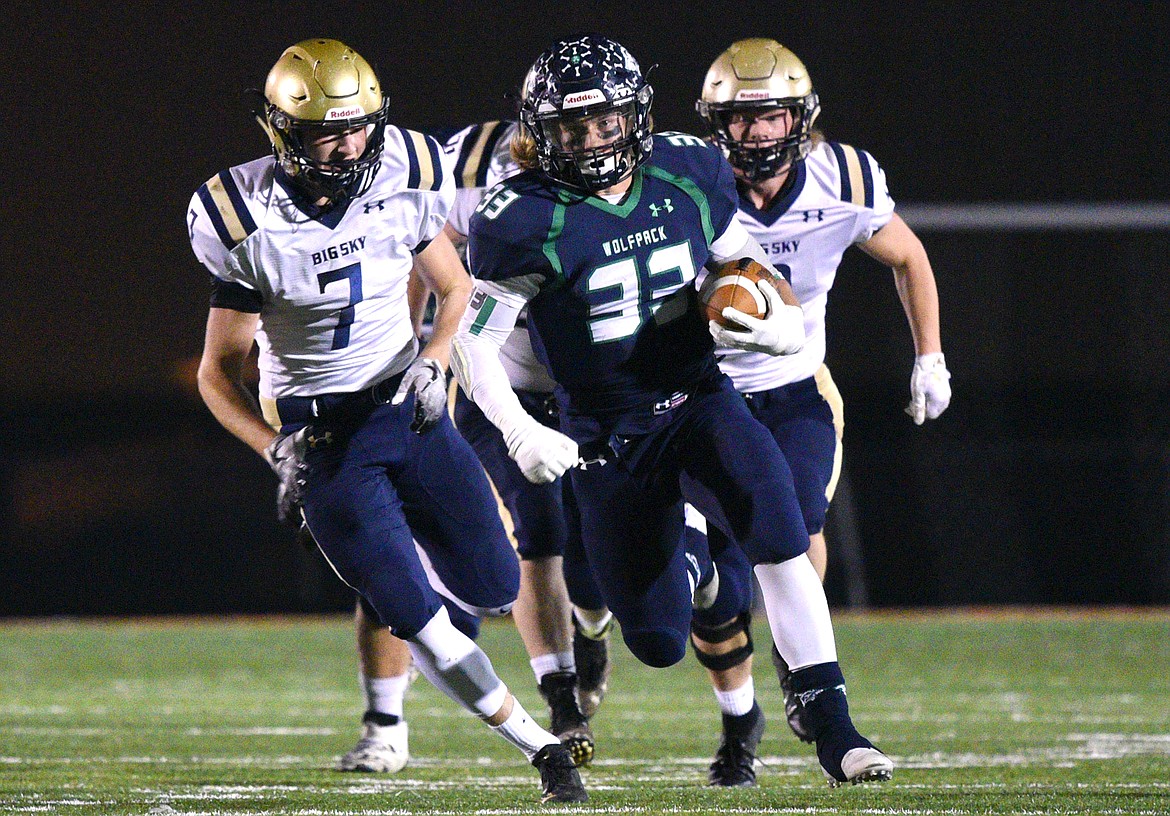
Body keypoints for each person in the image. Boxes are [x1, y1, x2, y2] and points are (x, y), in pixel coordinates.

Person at [452, 33, 894, 788]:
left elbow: (739, 263)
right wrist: (521, 429)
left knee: (780, 524)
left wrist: (782, 326)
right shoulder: (523, 217)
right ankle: (700, 573)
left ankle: (833, 724)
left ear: (637, 116)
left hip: (698, 399)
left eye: (606, 122)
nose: (592, 142)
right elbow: (472, 344)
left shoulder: (686, 171)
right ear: (541, 132)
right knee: (657, 639)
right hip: (607, 432)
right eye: (570, 128)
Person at [187, 38, 585, 804]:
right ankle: (541, 750)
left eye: (362, 125)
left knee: (496, 584)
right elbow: (216, 374)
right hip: (327, 439)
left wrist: (435, 360)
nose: (349, 144)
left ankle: (395, 562)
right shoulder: (243, 217)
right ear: (282, 133)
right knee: (417, 618)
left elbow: (457, 290)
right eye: (326, 131)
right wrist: (276, 450)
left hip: (409, 407)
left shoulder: (406, 171)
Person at [694, 36, 951, 744]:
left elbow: (908, 256)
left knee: (800, 523)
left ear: (800, 116)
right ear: (717, 123)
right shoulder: (684, 179)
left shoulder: (844, 179)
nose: (758, 132)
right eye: (742, 118)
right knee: (708, 585)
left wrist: (930, 358)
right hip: (696, 400)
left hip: (793, 388)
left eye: (773, 116)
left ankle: (804, 680)